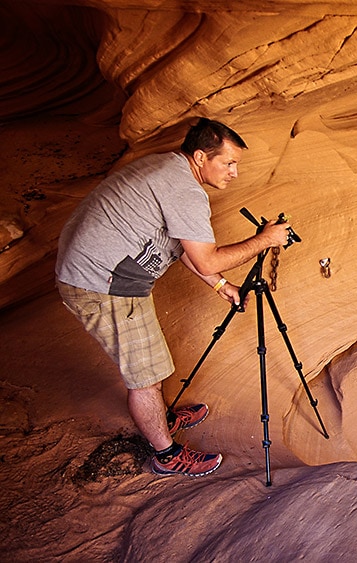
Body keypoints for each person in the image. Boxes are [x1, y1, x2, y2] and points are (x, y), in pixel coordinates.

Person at [55, 118, 291, 477]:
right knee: (145, 375)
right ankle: (166, 454)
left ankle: (161, 419)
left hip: (103, 271)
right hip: (101, 283)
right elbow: (206, 257)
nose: (234, 173)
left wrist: (221, 286)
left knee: (151, 361)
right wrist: (265, 240)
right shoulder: (185, 190)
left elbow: (183, 247)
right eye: (228, 162)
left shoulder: (167, 167)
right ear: (200, 156)